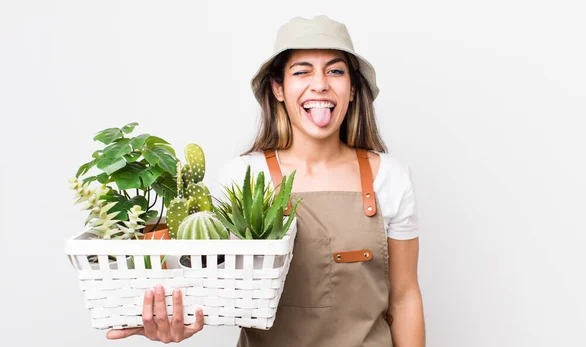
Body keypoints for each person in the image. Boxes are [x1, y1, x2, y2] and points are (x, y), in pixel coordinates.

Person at [107, 15, 425, 346]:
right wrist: (177, 321)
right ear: (278, 88)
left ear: (353, 88)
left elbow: (404, 298)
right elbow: (213, 288)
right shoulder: (243, 176)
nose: (320, 84)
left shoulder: (390, 177)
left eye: (335, 71)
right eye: (302, 71)